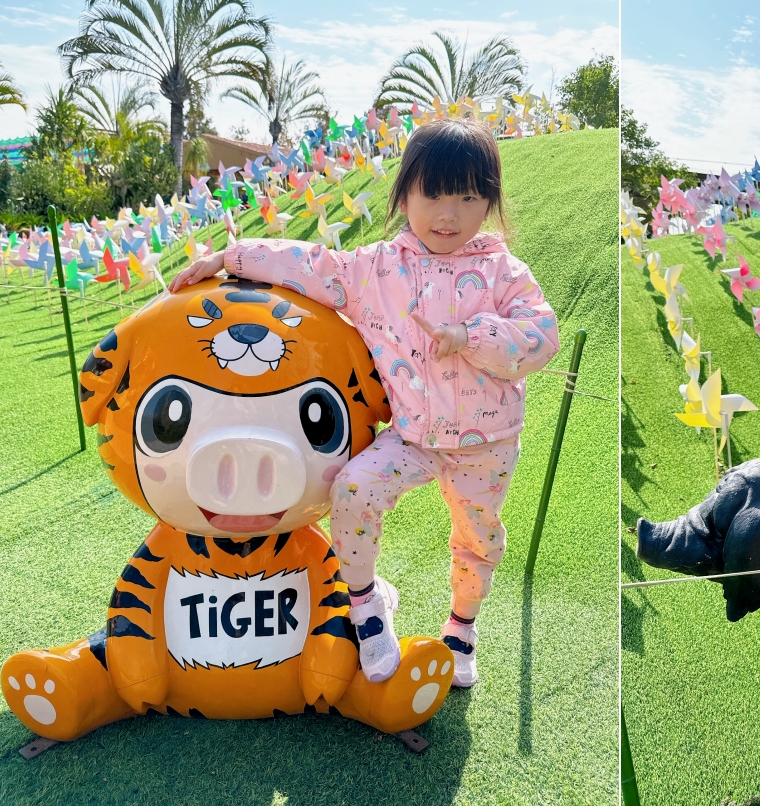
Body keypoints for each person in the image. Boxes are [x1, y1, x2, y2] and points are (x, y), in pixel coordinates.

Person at [170, 119, 560, 687]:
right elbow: (307, 265)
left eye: (468, 197)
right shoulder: (375, 268)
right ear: (404, 195)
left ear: (490, 203)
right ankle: (366, 604)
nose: (448, 214)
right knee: (353, 489)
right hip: (410, 436)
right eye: (433, 194)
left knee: (478, 538)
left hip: (488, 443)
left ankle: (462, 629)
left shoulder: (503, 271)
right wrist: (231, 257)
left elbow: (541, 336)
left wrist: (470, 336)